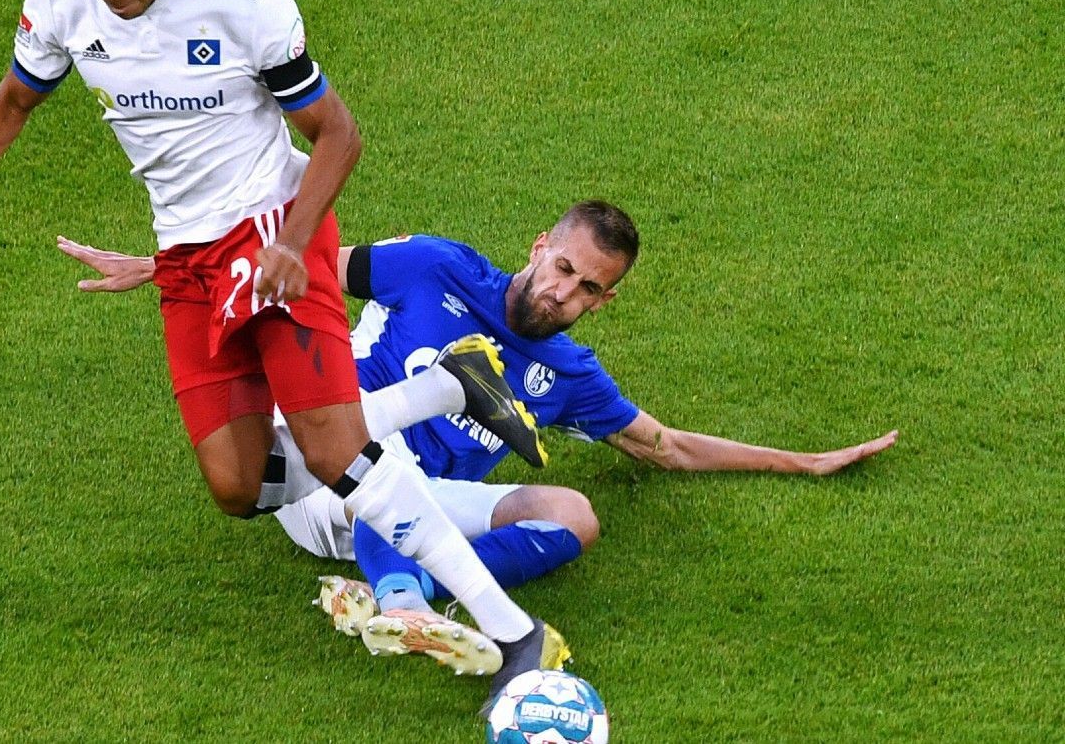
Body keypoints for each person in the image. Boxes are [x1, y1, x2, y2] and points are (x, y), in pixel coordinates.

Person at [0, 0, 567, 696]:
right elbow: (11, 101)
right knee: (236, 487)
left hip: (269, 223)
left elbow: (337, 134)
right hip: (187, 257)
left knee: (336, 452)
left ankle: (516, 636)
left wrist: (295, 244)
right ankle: (447, 388)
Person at [57, 199, 896, 688]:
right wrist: (162, 269)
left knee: (573, 513)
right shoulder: (434, 266)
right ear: (538, 245)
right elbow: (295, 266)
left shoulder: (569, 374)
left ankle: (412, 594)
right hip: (313, 463)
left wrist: (806, 460)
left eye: (586, 288)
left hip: (400, 507)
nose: (563, 291)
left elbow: (665, 446)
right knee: (365, 467)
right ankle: (442, 420)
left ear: (603, 302)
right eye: (561, 266)